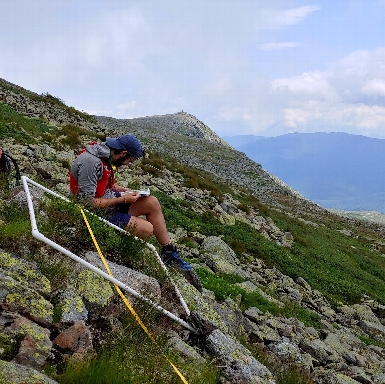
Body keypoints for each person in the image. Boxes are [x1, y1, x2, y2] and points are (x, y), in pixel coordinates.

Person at [70, 134, 202, 291]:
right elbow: (86, 202)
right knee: (147, 230)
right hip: (94, 214)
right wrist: (122, 200)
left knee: (152, 202)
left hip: (108, 204)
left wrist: (124, 191)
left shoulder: (107, 156)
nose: (128, 164)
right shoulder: (91, 162)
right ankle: (115, 249)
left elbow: (104, 185)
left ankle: (169, 253)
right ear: (123, 153)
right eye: (129, 160)